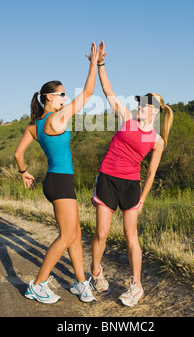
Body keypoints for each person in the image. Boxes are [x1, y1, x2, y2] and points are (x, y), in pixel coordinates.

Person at [14, 42, 100, 304]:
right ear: (49, 97)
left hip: (58, 181)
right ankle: (38, 284)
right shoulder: (56, 118)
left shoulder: (35, 125)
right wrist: (94, 63)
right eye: (62, 94)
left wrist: (24, 172)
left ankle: (80, 282)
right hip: (60, 182)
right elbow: (88, 92)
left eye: (64, 94)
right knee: (66, 235)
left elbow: (18, 154)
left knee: (74, 232)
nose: (65, 97)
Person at [91, 41, 173, 307]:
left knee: (131, 236)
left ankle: (136, 286)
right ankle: (96, 273)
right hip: (107, 179)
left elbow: (150, 173)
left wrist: (142, 199)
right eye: (140, 101)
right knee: (102, 233)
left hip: (131, 186)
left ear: (155, 110)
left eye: (146, 103)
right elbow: (108, 90)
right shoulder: (125, 117)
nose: (139, 105)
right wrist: (100, 63)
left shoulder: (157, 140)